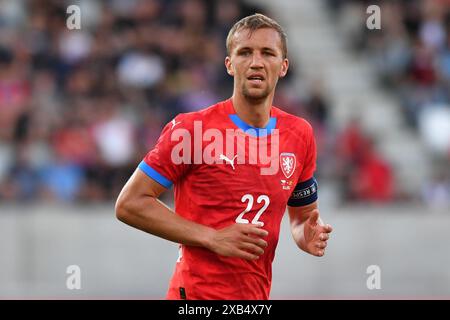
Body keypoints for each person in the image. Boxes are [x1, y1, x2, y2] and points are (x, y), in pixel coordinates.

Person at [115, 13, 333, 300]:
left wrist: (305, 234)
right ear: (230, 65)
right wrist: (212, 237)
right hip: (194, 297)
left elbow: (302, 216)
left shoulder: (299, 134)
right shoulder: (192, 130)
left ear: (283, 67)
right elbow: (130, 204)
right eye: (245, 53)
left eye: (268, 53)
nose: (256, 62)